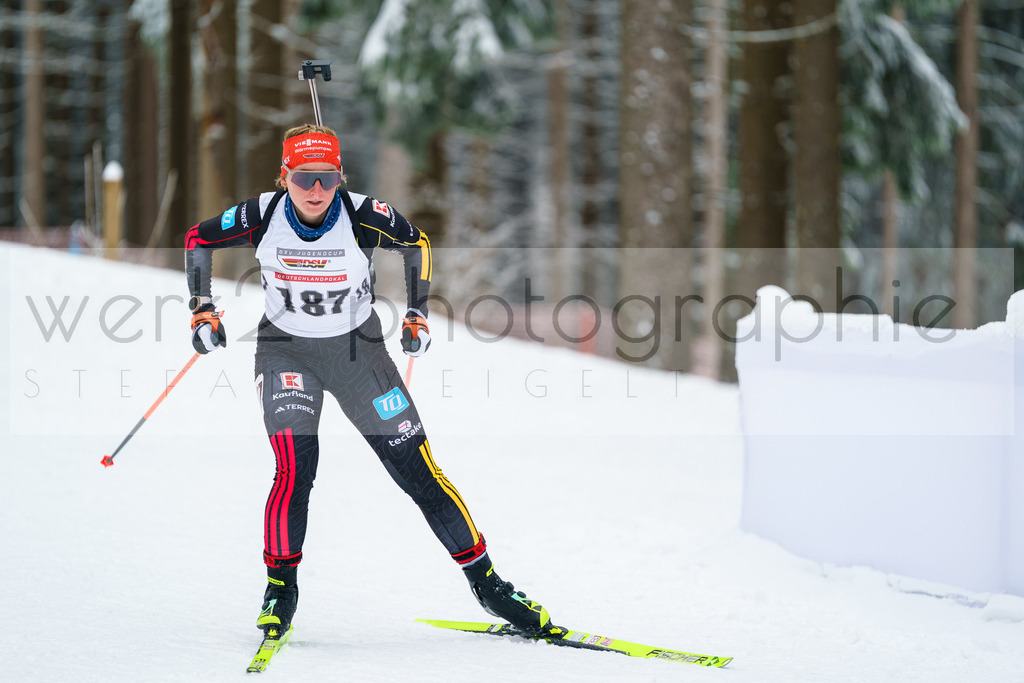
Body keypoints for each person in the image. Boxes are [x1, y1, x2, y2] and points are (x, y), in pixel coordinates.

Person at [184, 124, 552, 638]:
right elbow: (198, 238)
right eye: (305, 178)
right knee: (295, 466)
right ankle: (279, 589)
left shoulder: (360, 215)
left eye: (328, 178)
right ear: (285, 176)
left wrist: (417, 315)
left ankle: (488, 585)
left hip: (360, 355)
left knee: (417, 469)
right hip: (286, 351)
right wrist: (202, 311)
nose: (317, 190)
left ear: (341, 178)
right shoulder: (262, 214)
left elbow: (416, 243)